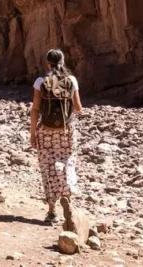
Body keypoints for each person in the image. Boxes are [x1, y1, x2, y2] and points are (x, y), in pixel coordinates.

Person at [30, 49, 83, 225]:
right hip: (67, 131)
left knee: (48, 167)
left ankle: (52, 211)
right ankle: (67, 193)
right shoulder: (71, 80)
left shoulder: (40, 81)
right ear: (63, 61)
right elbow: (78, 107)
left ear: (48, 63)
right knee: (67, 160)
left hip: (45, 131)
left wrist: (32, 133)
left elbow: (36, 109)